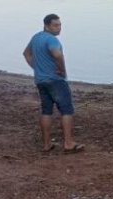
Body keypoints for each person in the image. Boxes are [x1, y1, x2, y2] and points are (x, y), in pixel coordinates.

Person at [22, 14, 84, 154]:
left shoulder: (36, 37)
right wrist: (62, 70)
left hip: (41, 80)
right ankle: (68, 143)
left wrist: (36, 68)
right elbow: (57, 55)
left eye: (60, 25)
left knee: (46, 111)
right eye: (56, 25)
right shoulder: (52, 40)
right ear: (47, 26)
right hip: (55, 80)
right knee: (66, 110)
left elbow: (26, 54)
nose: (59, 28)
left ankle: (46, 144)